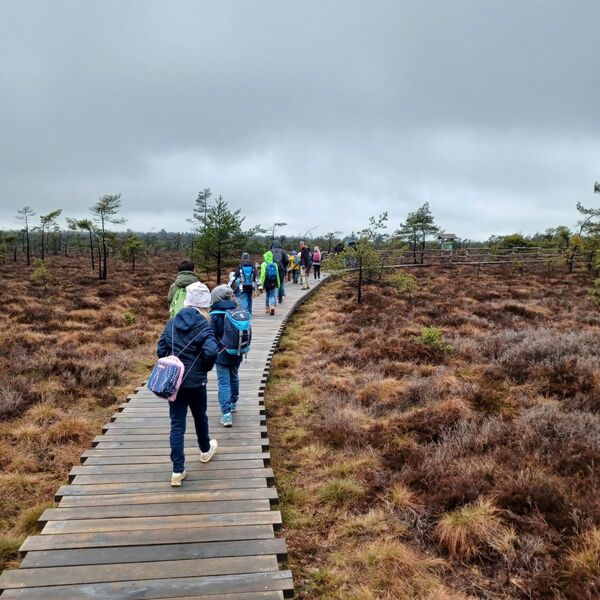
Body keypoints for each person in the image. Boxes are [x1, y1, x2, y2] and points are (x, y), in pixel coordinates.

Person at [157, 282, 218, 487]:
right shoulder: (204, 325)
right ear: (205, 305)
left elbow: (160, 350)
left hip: (173, 383)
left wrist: (172, 363)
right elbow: (211, 352)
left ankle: (177, 471)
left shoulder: (172, 322)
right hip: (196, 382)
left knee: (177, 425)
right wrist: (204, 369)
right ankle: (204, 450)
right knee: (200, 417)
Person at [210, 285, 243, 428]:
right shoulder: (238, 311)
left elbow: (210, 336)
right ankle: (234, 402)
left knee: (223, 383)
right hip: (237, 351)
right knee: (234, 376)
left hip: (221, 354)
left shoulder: (214, 315)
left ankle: (226, 414)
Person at [260, 250, 280, 315]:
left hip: (267, 282)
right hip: (273, 281)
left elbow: (262, 275)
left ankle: (267, 308)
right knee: (272, 295)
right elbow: (277, 275)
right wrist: (278, 284)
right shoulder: (274, 264)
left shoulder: (264, 264)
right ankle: (273, 306)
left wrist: (262, 285)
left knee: (267, 295)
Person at [270, 240, 289, 304]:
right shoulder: (283, 251)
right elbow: (287, 260)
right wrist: (283, 266)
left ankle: (273, 300)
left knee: (273, 284)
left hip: (273, 269)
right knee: (280, 284)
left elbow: (267, 260)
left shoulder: (270, 251)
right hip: (281, 269)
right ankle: (280, 298)